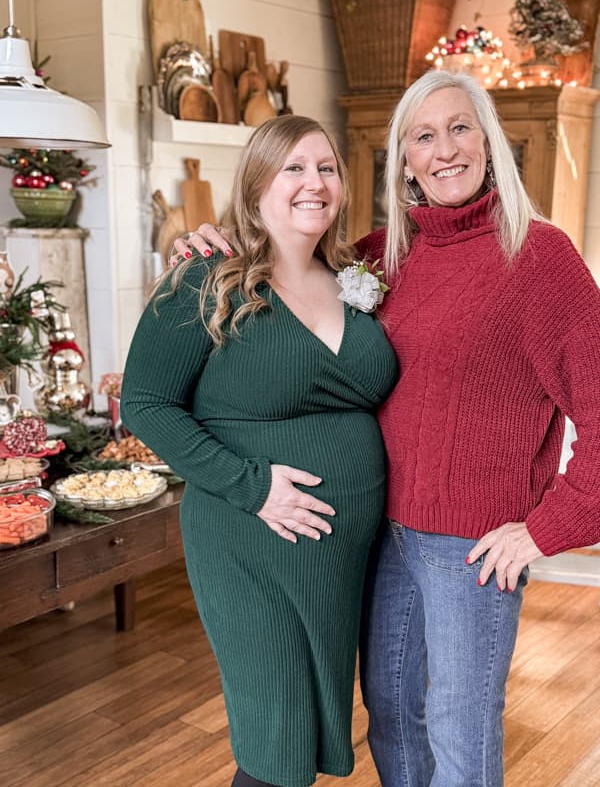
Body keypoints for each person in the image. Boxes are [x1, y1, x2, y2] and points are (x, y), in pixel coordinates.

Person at [174, 70, 600, 787]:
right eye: (422, 136)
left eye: (460, 128)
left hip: (471, 548)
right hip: (378, 535)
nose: (444, 150)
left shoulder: (540, 259)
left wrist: (547, 525)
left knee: (459, 732)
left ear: (490, 142)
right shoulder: (378, 258)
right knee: (393, 717)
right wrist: (214, 241)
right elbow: (282, 260)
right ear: (403, 159)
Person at [120, 115, 398, 787]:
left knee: (302, 739)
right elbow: (145, 404)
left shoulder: (354, 278)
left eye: (327, 168)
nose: (314, 183)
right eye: (293, 168)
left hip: (337, 553)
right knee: (274, 739)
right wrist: (254, 487)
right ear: (255, 187)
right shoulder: (207, 278)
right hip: (249, 537)